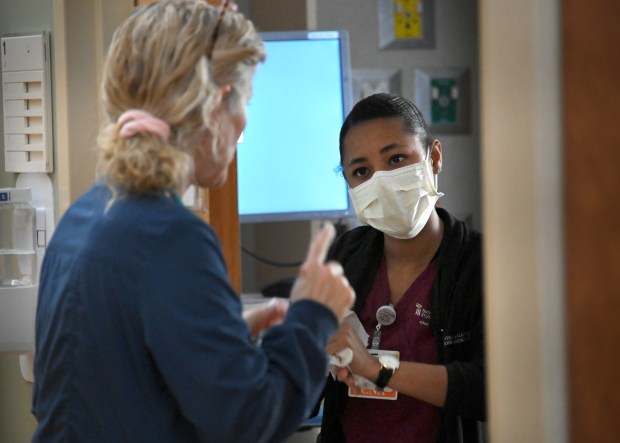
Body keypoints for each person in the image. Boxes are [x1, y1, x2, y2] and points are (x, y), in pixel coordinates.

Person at [31, 1, 355, 442]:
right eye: (247, 103)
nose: (244, 126)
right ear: (218, 104)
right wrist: (313, 316)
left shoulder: (85, 216)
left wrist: (222, 335)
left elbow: (100, 382)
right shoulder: (172, 238)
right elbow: (251, 420)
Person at [319, 93, 485, 442]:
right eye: (361, 171)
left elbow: (489, 388)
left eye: (396, 159)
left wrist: (379, 371)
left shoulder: (481, 264)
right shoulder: (345, 254)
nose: (382, 181)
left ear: (434, 157)